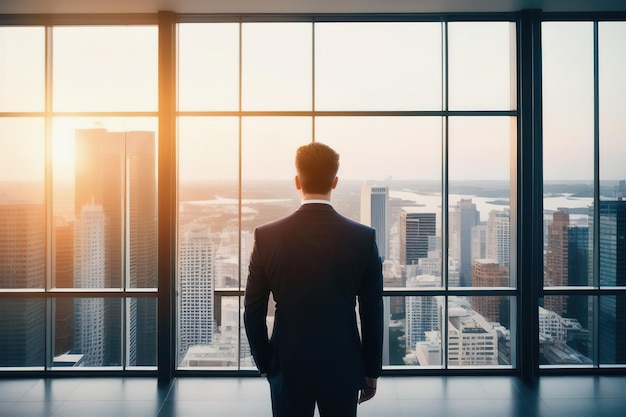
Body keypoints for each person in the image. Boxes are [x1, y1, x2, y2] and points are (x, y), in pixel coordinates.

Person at [244, 142, 384, 417]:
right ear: (335, 181)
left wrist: (264, 362)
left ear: (297, 181)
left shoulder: (266, 237)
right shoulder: (363, 239)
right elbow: (372, 312)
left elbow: (253, 309)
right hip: (342, 362)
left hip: (287, 362)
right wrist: (370, 372)